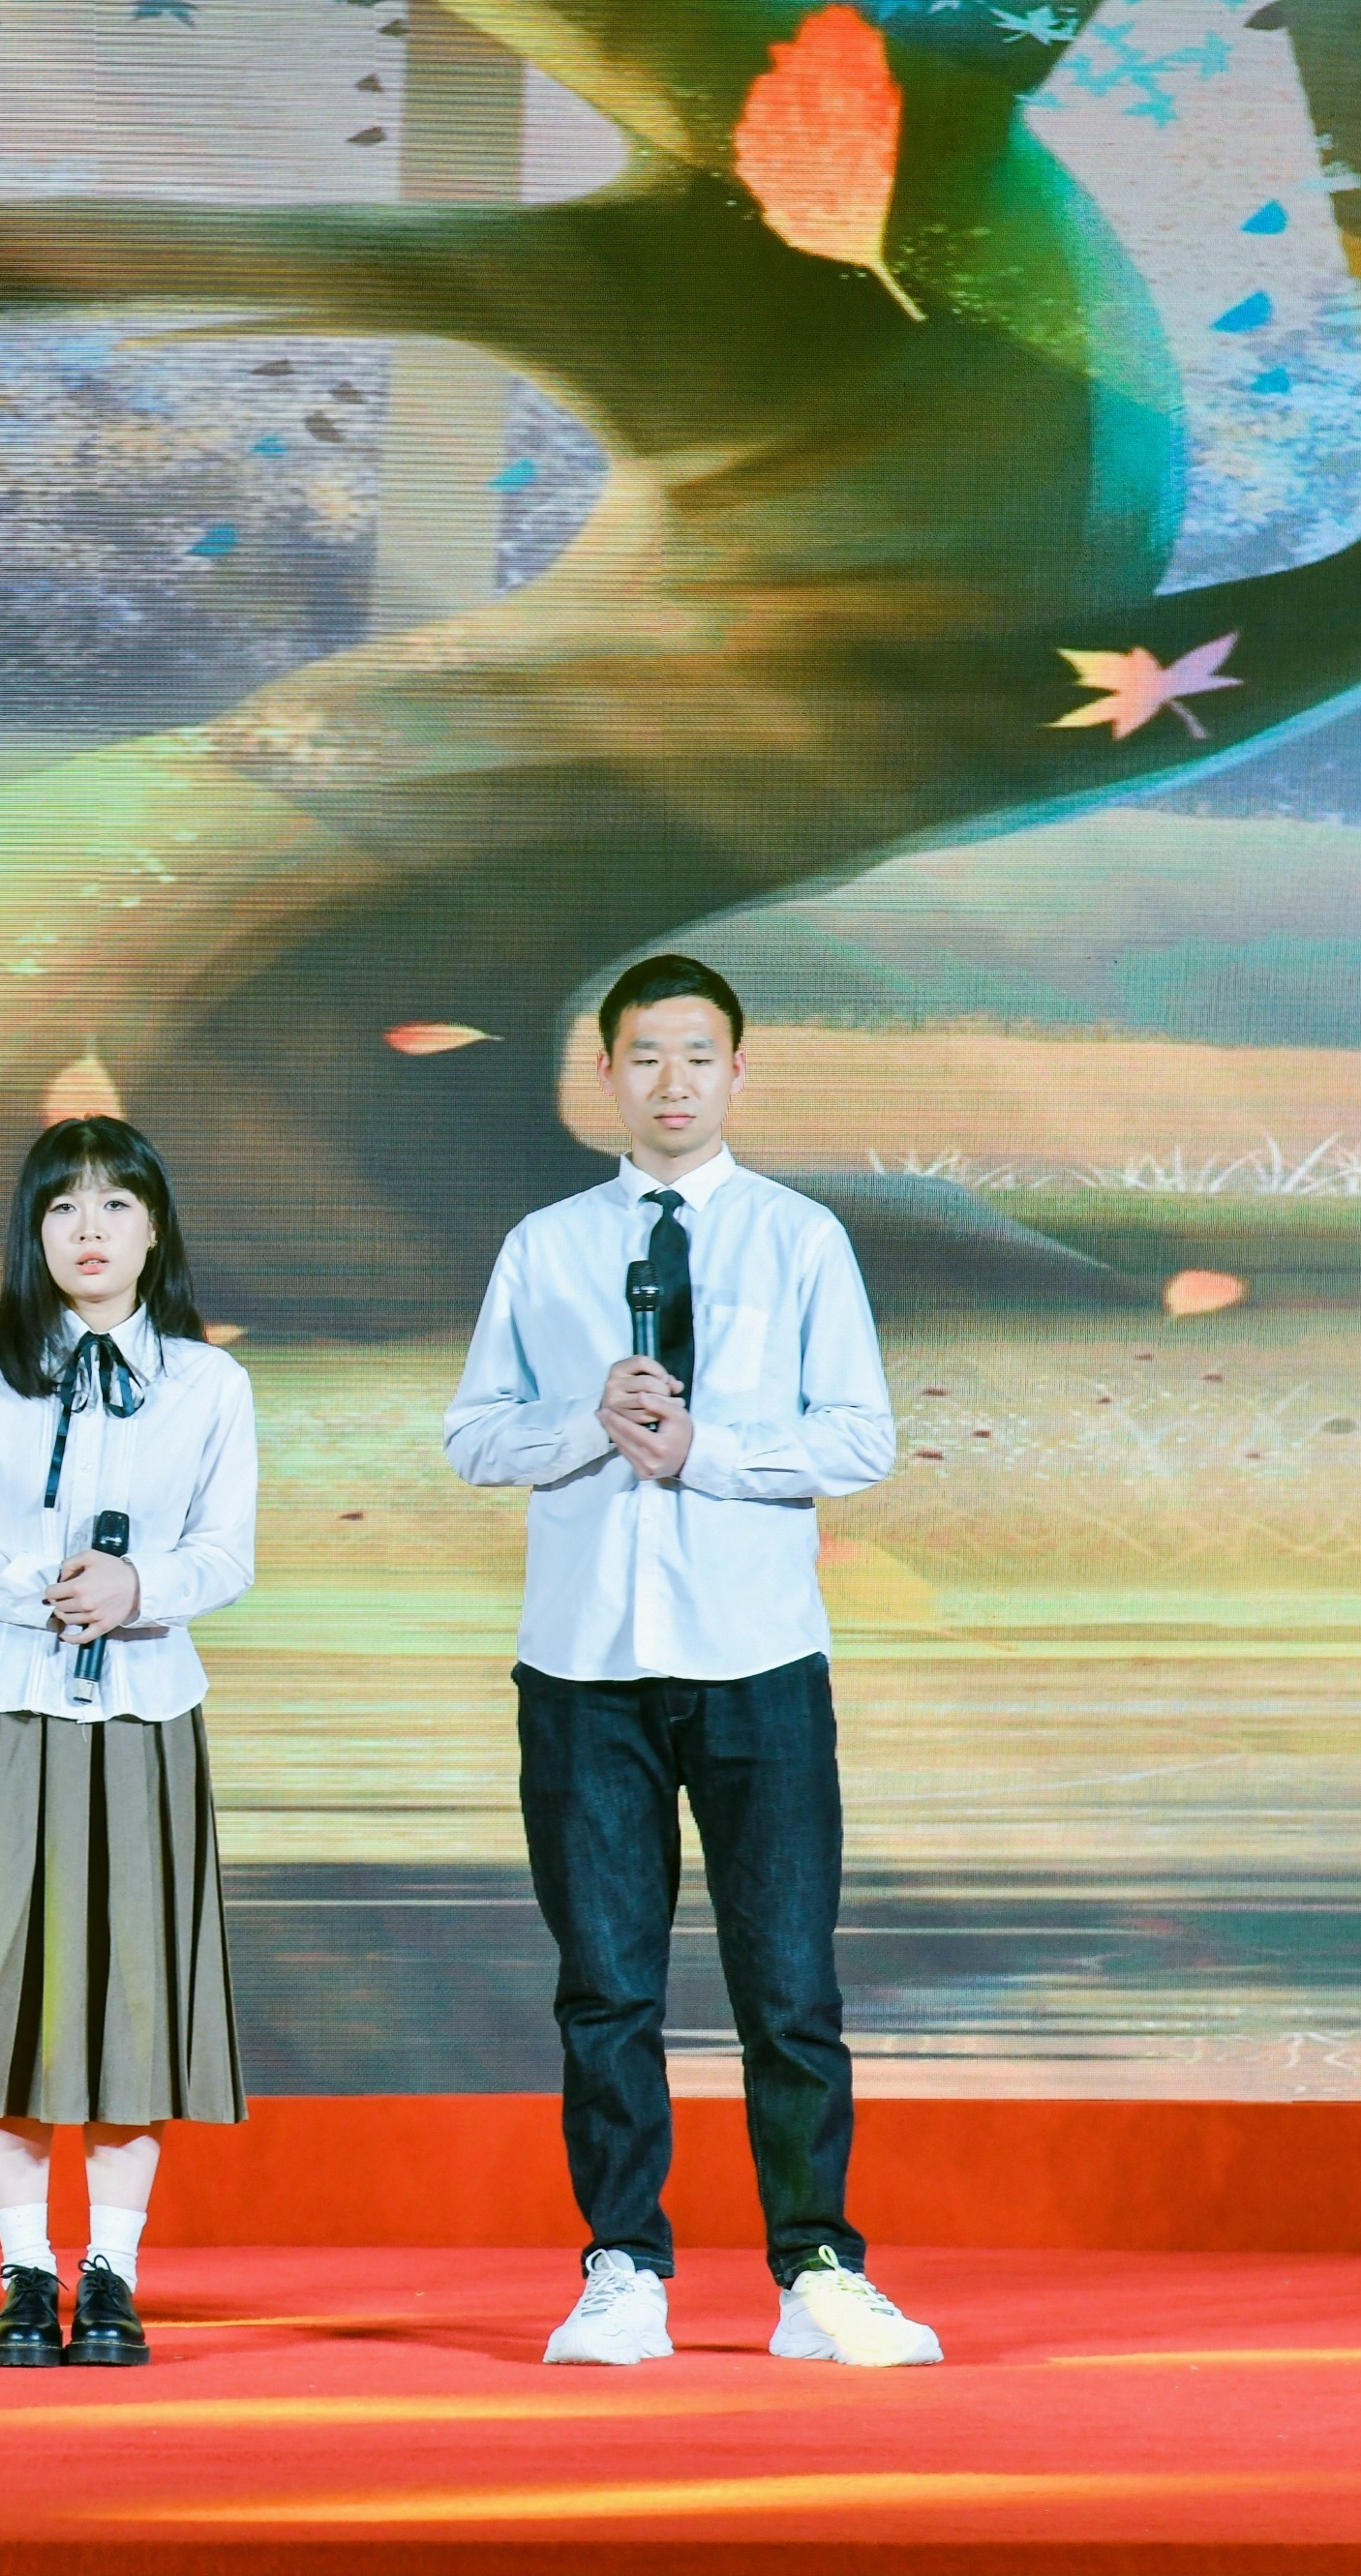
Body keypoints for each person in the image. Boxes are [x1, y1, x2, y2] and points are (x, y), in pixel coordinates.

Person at [441, 955, 939, 2369]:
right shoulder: (546, 1246)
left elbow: (858, 1436)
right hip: (583, 1667)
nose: (671, 1082)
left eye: (697, 1056)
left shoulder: (798, 1239)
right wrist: (586, 1418)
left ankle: (816, 2270)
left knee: (787, 1986)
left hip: (755, 1657)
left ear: (737, 1072)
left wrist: (706, 1451)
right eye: (645, 1056)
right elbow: (473, 1435)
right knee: (606, 1987)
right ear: (603, 1071)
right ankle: (621, 2269)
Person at [0, 1115, 256, 2368]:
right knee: (7, 1998)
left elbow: (226, 1554)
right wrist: (34, 1588)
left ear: (154, 1228)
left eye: (114, 1205)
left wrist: (137, 1587)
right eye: (62, 1207)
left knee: (128, 2000)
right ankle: (24, 2267)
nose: (88, 1230)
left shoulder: (207, 1384)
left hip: (140, 1717)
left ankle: (112, 2272)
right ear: (31, 1231)